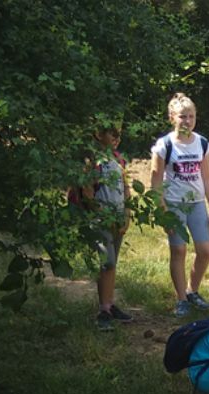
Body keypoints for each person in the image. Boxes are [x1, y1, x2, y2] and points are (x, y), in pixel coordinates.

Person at [151, 93, 209, 317]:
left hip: (196, 203)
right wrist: (162, 211)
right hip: (173, 204)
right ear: (172, 117)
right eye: (182, 116)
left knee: (205, 250)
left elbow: (208, 178)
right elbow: (155, 182)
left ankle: (193, 290)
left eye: (191, 116)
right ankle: (181, 299)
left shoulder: (202, 144)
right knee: (178, 249)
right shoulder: (164, 145)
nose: (187, 121)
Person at [79, 125, 134, 331]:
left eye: (119, 134)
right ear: (98, 135)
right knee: (107, 262)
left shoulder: (119, 160)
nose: (116, 138)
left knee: (112, 264)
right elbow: (87, 192)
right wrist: (102, 214)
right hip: (101, 220)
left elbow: (125, 188)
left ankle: (109, 306)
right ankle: (103, 310)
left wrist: (127, 214)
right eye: (112, 134)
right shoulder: (93, 162)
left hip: (118, 219)